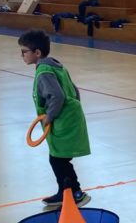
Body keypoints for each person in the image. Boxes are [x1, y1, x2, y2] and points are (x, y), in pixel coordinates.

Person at [18, 29, 92, 207]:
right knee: (59, 158)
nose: (22, 55)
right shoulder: (56, 66)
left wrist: (49, 117)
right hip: (69, 119)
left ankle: (75, 192)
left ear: (37, 52)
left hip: (62, 122)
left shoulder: (44, 71)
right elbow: (74, 90)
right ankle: (66, 192)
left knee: (58, 159)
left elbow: (57, 96)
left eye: (24, 51)